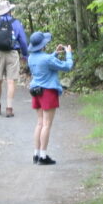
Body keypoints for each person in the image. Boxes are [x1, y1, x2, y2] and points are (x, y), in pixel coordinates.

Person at [27, 31, 73, 165]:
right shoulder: (47, 59)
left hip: (36, 91)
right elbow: (67, 66)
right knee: (47, 125)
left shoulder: (31, 58)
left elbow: (45, 61)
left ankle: (36, 154)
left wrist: (55, 53)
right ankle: (43, 156)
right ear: (43, 44)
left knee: (40, 123)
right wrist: (68, 53)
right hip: (48, 92)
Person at [0, 0, 28, 118]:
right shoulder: (16, 23)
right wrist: (25, 55)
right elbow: (23, 41)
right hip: (12, 53)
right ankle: (9, 108)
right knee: (11, 81)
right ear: (10, 11)